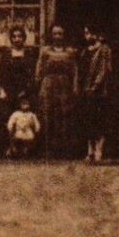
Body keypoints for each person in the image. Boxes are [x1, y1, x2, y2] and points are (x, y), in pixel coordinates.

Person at [34, 24, 78, 159]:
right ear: (51, 35)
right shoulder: (45, 51)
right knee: (48, 115)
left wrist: (75, 87)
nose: (57, 36)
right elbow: (39, 68)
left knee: (64, 115)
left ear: (64, 35)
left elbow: (75, 71)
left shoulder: (70, 52)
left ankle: (63, 151)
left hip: (64, 85)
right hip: (48, 84)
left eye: (60, 34)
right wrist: (38, 84)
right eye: (55, 34)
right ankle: (48, 150)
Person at [79, 26, 116, 162]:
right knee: (89, 120)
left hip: (99, 91)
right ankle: (90, 150)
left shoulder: (104, 50)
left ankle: (99, 150)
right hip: (86, 89)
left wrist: (95, 85)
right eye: (85, 33)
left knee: (99, 120)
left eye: (89, 33)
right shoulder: (85, 51)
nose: (87, 36)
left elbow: (103, 70)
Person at [0, 24, 38, 129]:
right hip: (8, 93)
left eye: (19, 36)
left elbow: (33, 75)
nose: (17, 39)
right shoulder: (6, 55)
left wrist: (26, 91)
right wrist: (2, 91)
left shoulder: (29, 55)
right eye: (14, 37)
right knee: (7, 120)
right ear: (11, 39)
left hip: (24, 93)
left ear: (24, 38)